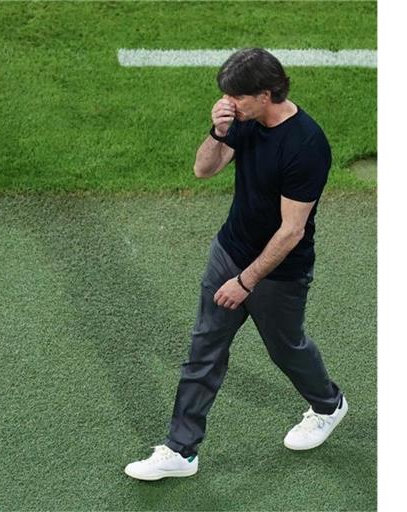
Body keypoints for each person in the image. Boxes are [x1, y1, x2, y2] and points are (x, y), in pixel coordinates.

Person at [125, 48, 347, 481]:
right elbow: (203, 169)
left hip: (278, 271)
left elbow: (291, 230)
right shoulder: (243, 121)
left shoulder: (306, 145)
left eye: (237, 97)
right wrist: (217, 130)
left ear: (266, 94)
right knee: (203, 350)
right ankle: (180, 450)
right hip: (229, 249)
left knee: (286, 348)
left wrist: (244, 283)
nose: (230, 103)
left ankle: (328, 405)